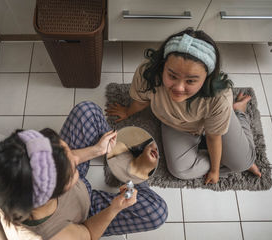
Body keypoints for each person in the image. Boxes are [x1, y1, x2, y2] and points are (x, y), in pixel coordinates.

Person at [0, 101, 168, 240]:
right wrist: (115, 208)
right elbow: (88, 235)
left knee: (86, 111)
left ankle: (121, 156)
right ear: (55, 192)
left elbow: (67, 158)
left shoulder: (11, 176)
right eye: (72, 168)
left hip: (69, 192)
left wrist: (97, 150)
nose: (76, 158)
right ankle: (135, 169)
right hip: (86, 214)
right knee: (157, 212)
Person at [106, 28, 261, 184]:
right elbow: (141, 101)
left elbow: (214, 138)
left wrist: (215, 171)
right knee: (179, 170)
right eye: (172, 76)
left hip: (214, 128)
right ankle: (232, 159)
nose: (179, 88)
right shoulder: (148, 73)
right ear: (162, 66)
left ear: (207, 78)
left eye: (191, 81)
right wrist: (127, 111)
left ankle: (238, 112)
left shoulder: (219, 98)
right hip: (175, 124)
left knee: (242, 163)